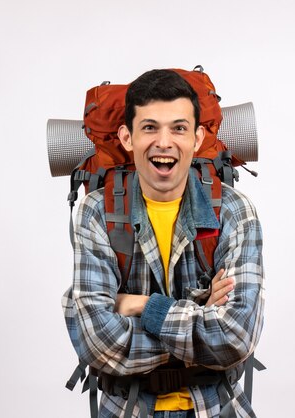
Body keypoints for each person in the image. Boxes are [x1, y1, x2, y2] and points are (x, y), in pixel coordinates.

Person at [62, 69, 264, 418]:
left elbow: (235, 337)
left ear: (198, 137)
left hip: (218, 407)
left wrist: (142, 306)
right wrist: (202, 314)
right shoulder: (97, 212)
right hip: (128, 408)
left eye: (179, 128)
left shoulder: (233, 210)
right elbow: (98, 343)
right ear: (127, 137)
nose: (164, 141)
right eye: (150, 127)